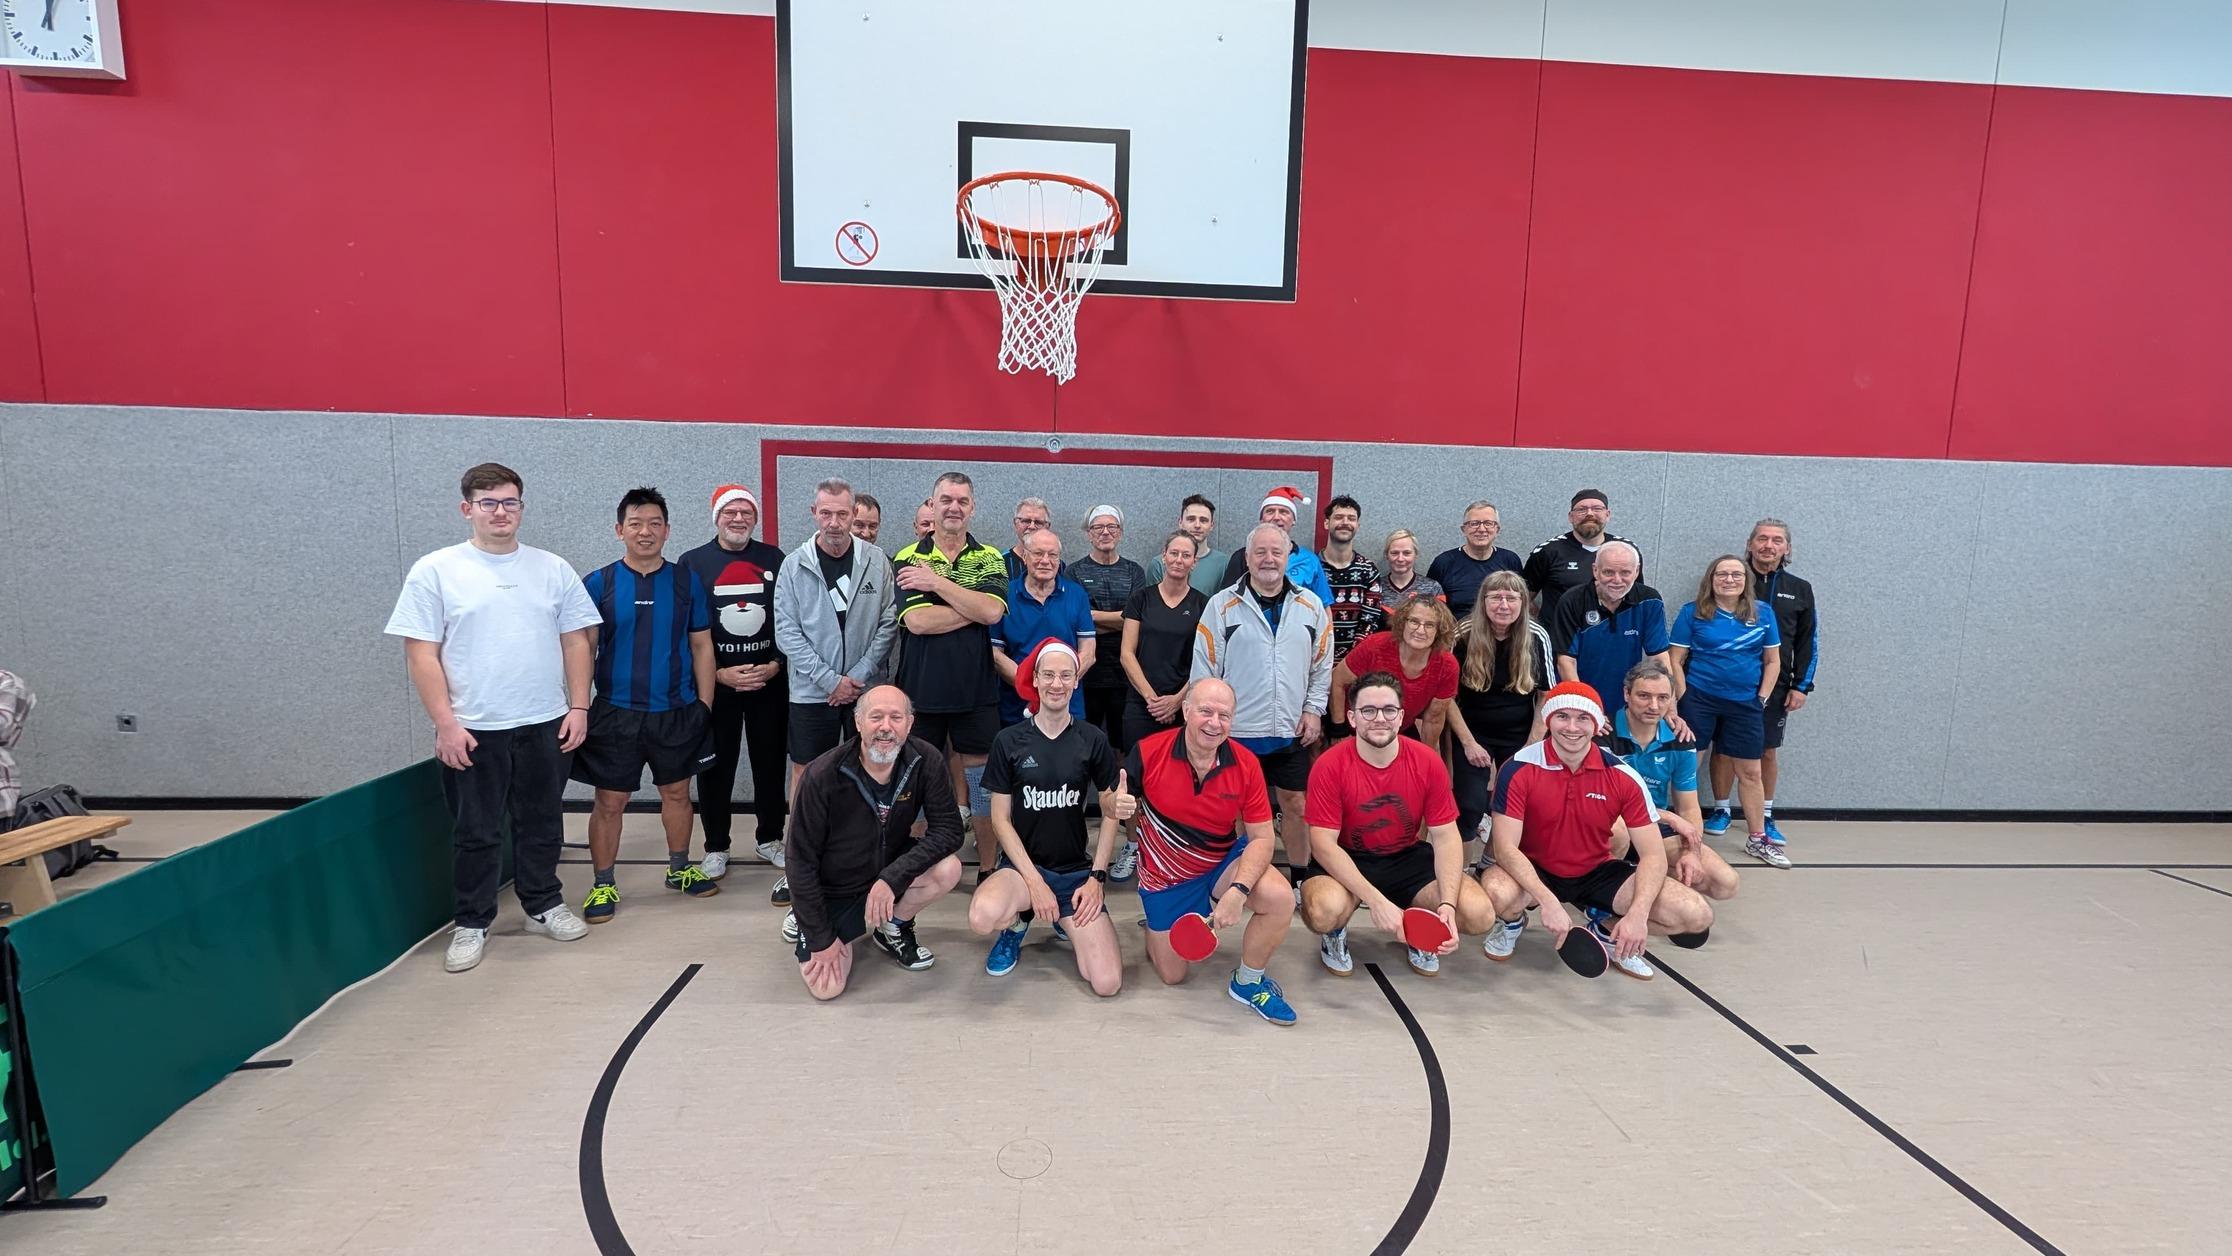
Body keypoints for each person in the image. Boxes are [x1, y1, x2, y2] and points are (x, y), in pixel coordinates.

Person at [385, 462, 598, 973]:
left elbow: (577, 641)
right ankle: (472, 921)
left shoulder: (552, 568)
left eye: (509, 502)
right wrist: (446, 723)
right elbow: (421, 653)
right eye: (488, 503)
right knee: (477, 830)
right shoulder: (435, 570)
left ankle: (543, 904)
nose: (500, 512)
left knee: (542, 822)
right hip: (473, 727)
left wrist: (579, 706)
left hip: (545, 722)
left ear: (521, 507)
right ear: (468, 509)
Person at [1475, 683, 1715, 980]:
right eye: (1562, 716)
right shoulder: (1518, 768)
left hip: (1596, 871)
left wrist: (1637, 915)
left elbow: (1653, 855)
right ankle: (1512, 922)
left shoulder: (1623, 776)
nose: (1572, 727)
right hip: (1535, 869)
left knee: (1696, 914)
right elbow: (1505, 849)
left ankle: (1606, 932)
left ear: (1597, 724)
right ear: (1548, 720)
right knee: (1496, 892)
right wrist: (1548, 902)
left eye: (1583, 718)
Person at [571, 487, 720, 922]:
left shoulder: (685, 581)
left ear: (667, 531)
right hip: (615, 713)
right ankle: (603, 883)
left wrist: (704, 705)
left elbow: (702, 645)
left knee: (677, 793)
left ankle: (679, 869)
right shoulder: (598, 583)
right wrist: (579, 706)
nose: (645, 531)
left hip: (677, 710)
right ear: (619, 530)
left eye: (655, 523)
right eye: (635, 524)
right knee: (610, 800)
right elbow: (584, 649)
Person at [1128, 678, 1299, 1025]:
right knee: (1173, 975)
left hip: (1221, 864)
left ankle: (1247, 983)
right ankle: (1156, 926)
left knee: (1280, 898)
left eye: (1224, 715)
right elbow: (1110, 800)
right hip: (1168, 876)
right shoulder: (1148, 751)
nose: (1214, 723)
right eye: (1205, 711)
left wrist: (1238, 891)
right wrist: (1111, 803)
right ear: (1186, 711)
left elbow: (1262, 838)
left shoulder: (1246, 763)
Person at [969, 642, 1135, 993]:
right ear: (1035, 679)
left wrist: (1097, 878)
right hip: (1022, 871)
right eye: (1048, 675)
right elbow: (1000, 820)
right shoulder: (1009, 740)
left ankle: (1063, 916)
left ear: (1076, 681)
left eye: (1065, 676)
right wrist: (1034, 883)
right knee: (982, 916)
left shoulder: (1092, 738)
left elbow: (1109, 810)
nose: (1056, 684)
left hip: (1074, 873)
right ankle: (1017, 923)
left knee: (1106, 983)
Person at [1301, 672, 1491, 977]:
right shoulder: (1329, 765)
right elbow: (1323, 844)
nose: (1380, 719)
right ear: (1352, 718)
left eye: (1389, 710)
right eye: (1368, 710)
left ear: (1401, 717)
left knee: (1479, 914)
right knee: (1323, 911)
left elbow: (1445, 837)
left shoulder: (1427, 761)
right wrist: (1376, 901)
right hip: (1348, 856)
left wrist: (1447, 904)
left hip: (1406, 858)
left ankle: (1420, 929)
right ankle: (1335, 932)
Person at [787, 686, 966, 997]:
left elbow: (949, 830)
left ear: (909, 724)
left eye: (896, 717)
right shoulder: (823, 774)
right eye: (876, 717)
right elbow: (800, 861)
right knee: (827, 988)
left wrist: (891, 878)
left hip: (887, 871)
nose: (886, 727)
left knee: (948, 869)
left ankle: (892, 926)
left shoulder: (926, 759)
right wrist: (821, 938)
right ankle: (805, 916)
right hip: (835, 888)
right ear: (858, 722)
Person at [773, 477, 899, 906]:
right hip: (812, 693)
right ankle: (798, 867)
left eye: (842, 514)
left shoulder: (876, 561)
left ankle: (868, 863)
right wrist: (830, 680)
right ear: (814, 513)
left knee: (874, 770)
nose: (834, 522)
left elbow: (888, 622)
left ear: (853, 515)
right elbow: (787, 631)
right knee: (807, 775)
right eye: (825, 513)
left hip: (866, 691)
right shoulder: (794, 566)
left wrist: (856, 678)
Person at [1193, 522, 1334, 879]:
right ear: (1247, 558)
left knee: (1296, 804)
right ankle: (1249, 876)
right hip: (1237, 731)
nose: (1268, 559)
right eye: (1260, 552)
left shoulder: (1311, 606)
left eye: (1276, 552)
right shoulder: (1221, 606)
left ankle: (1300, 877)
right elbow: (1205, 669)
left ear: (1287, 557)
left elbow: (1322, 664)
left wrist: (1313, 710)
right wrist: (1209, 721)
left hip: (1291, 729)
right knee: (1240, 810)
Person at [890, 472, 1010, 876]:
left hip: (976, 692)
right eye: (946, 500)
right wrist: (973, 607)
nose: (954, 507)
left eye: (962, 501)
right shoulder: (908, 556)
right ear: (933, 504)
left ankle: (988, 868)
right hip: (920, 693)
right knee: (914, 780)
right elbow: (919, 622)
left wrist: (936, 583)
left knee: (983, 788)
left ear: (972, 507)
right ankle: (913, 869)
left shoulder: (989, 556)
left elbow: (993, 613)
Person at [679, 484, 787, 883]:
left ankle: (770, 838)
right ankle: (716, 846)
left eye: (746, 512)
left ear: (755, 518)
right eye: (731, 512)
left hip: (767, 683)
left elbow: (790, 619)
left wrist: (775, 665)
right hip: (717, 686)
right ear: (717, 517)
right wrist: (717, 674)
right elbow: (684, 629)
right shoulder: (692, 563)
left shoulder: (774, 558)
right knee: (715, 767)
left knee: (770, 763)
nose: (738, 519)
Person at [1705, 519, 1818, 850]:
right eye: (1762, 539)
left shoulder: (1799, 588)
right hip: (1726, 682)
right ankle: (1721, 809)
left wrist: (1801, 685)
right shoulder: (1732, 579)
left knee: (1766, 749)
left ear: (1787, 548)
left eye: (1777, 540)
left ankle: (1765, 815)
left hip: (1776, 685)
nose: (1769, 545)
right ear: (1750, 544)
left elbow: (1808, 640)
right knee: (1722, 748)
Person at [1599, 663, 1739, 930]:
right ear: (1627, 694)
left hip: (1653, 828)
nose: (1654, 706)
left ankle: (1627, 910)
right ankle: (1602, 899)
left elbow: (1688, 808)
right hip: (1614, 824)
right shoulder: (1603, 734)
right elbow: (1604, 803)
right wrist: (1669, 818)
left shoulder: (1680, 738)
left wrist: (1692, 852)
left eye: (1662, 697)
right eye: (1644, 696)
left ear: (1672, 699)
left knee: (1725, 883)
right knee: (1618, 831)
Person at [1669, 555, 1784, 868]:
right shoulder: (1692, 612)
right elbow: (1675, 659)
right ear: (1711, 579)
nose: (1729, 579)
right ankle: (1681, 835)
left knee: (1751, 772)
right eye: (1722, 574)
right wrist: (1684, 696)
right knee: (1686, 766)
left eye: (1736, 574)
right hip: (1699, 700)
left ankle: (1758, 839)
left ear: (1746, 580)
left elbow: (1773, 661)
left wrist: (1761, 698)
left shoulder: (1763, 613)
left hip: (1746, 703)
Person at [1116, 531, 1208, 882]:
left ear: (1194, 562)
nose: (1179, 560)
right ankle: (1133, 846)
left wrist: (1178, 700)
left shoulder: (1203, 604)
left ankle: (1174, 849)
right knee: (1133, 779)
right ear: (1163, 556)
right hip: (1141, 704)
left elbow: (1205, 660)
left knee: (1181, 777)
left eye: (1186, 555)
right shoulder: (1141, 599)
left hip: (1184, 707)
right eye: (1174, 553)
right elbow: (1127, 654)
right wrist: (1152, 698)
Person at [1444, 571, 1553, 843]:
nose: (1503, 605)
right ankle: (1463, 864)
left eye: (1511, 598)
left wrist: (1531, 746)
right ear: (1483, 601)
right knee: (1469, 807)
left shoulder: (1537, 635)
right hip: (1472, 732)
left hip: (1520, 734)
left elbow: (1546, 696)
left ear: (1523, 603)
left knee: (1513, 808)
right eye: (1495, 597)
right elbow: (1445, 696)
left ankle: (1491, 861)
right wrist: (1469, 744)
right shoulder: (1463, 633)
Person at [1547, 540, 1671, 728]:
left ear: (1636, 571)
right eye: (1608, 572)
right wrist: (1588, 708)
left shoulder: (1650, 600)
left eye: (1625, 572)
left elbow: (1659, 658)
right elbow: (1565, 662)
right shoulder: (1572, 600)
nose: (1617, 580)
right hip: (1579, 702)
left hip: (1626, 704)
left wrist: (1670, 706)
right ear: (1595, 570)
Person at [990, 528, 1095, 726]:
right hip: (1016, 708)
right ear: (1024, 557)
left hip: (1068, 708)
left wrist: (1057, 686)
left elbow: (1088, 653)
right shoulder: (1004, 594)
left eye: (1052, 555)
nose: (1045, 560)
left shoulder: (1077, 594)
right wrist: (1032, 688)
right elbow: (995, 655)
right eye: (1038, 553)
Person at [1067, 504, 1147, 752]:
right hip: (1086, 674)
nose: (1105, 532)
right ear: (1088, 533)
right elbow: (1075, 621)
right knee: (1084, 744)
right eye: (1098, 527)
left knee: (1123, 745)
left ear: (1120, 532)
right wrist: (1124, 621)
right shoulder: (1074, 572)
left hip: (1125, 674)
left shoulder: (1134, 571)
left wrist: (1092, 617)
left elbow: (1138, 619)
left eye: (1112, 526)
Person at [1329, 595, 1458, 748]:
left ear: (1439, 630)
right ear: (1402, 622)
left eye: (1429, 625)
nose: (1420, 630)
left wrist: (1425, 755)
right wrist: (1339, 731)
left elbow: (1433, 719)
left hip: (1398, 728)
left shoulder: (1447, 665)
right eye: (1414, 622)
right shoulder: (1374, 646)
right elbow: (1338, 682)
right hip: (1352, 726)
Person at [1524, 488, 1640, 616]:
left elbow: (1637, 596)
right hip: (1561, 628)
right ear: (1571, 517)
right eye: (1581, 509)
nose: (1589, 513)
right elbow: (1522, 598)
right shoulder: (1548, 551)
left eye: (1597, 509)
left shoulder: (1627, 551)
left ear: (1607, 515)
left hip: (1611, 627)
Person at [1217, 485, 1334, 606]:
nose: (1276, 517)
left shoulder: (1309, 560)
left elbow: (1323, 606)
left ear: (1293, 520)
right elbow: (1226, 602)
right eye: (1270, 511)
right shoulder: (1242, 556)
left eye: (1283, 512)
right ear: (1262, 519)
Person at [1426, 500, 1523, 621]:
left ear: (1497, 530)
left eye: (1488, 523)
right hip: (1455, 631)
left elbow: (1521, 602)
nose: (1481, 529)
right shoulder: (1444, 563)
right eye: (1474, 523)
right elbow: (1429, 607)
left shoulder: (1510, 560)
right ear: (1464, 529)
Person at [1317, 495, 1380, 664]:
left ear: (1358, 525)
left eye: (1351, 518)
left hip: (1353, 665)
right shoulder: (1311, 568)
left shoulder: (1368, 570)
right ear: (1326, 523)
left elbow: (1369, 622)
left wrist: (1348, 665)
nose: (1345, 522)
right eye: (1338, 517)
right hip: (1313, 662)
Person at [1366, 529, 1445, 635]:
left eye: (1407, 553)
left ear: (1415, 555)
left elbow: (1441, 628)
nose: (1400, 558)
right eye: (1394, 553)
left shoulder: (1432, 588)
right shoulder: (1374, 588)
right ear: (1386, 555)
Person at [1147, 494, 1226, 597]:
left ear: (1211, 525)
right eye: (1191, 519)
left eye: (1203, 520)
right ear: (1180, 522)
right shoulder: (1159, 564)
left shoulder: (1224, 563)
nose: (1197, 525)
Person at [1003, 496, 1052, 581]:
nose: (1032, 526)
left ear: (1047, 527)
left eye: (1038, 522)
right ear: (1015, 524)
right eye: (1026, 521)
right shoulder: (1000, 563)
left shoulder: (1056, 566)